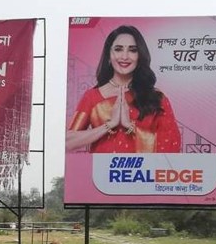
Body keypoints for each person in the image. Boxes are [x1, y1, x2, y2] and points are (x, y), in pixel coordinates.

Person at [67, 24, 182, 153]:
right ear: (109, 55)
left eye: (132, 50)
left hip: (143, 172)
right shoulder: (92, 96)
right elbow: (67, 142)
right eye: (118, 49)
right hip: (103, 171)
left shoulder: (156, 98)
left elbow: (173, 144)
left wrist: (130, 126)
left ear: (139, 56)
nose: (125, 56)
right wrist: (109, 125)